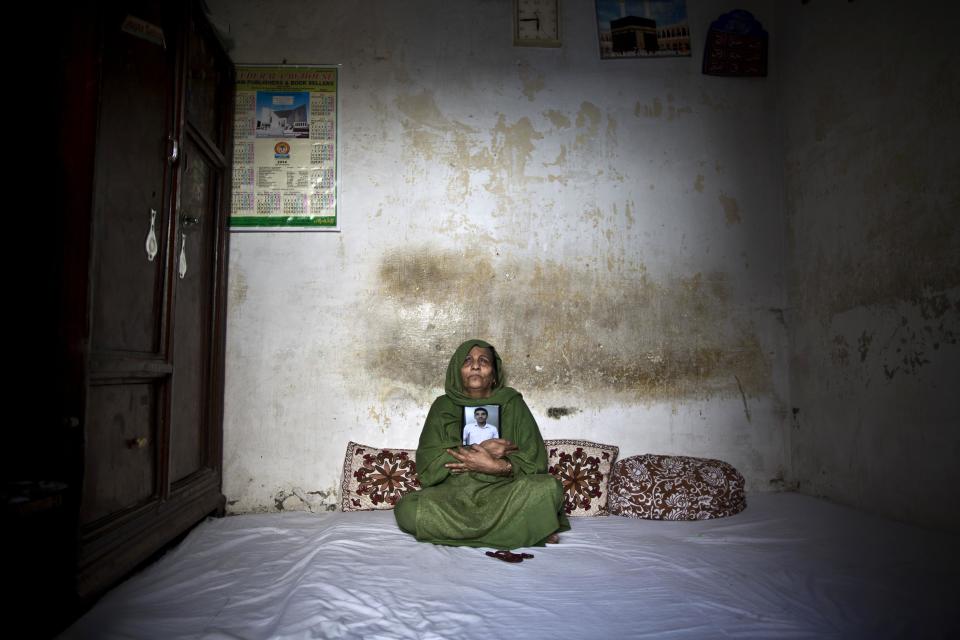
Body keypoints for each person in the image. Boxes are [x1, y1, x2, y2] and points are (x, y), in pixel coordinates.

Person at [394, 339, 569, 550]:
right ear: (456, 372)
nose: (475, 365)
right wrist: (481, 451)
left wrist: (499, 467)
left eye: (483, 361)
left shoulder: (512, 403)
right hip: (455, 495)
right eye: (467, 360)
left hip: (503, 491)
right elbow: (428, 467)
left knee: (550, 488)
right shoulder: (442, 406)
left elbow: (536, 459)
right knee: (407, 509)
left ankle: (498, 530)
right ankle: (528, 529)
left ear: (494, 376)